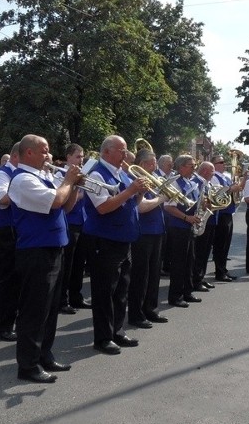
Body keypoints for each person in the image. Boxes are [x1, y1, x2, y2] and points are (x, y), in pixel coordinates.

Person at [9, 134, 80, 382]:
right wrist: (69, 180)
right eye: (44, 150)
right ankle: (27, 365)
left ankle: (44, 355)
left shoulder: (45, 177)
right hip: (36, 250)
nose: (49, 155)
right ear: (29, 153)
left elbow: (66, 206)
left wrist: (75, 186)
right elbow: (56, 201)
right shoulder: (23, 180)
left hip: (54, 247)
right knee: (34, 310)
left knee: (50, 309)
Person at [82, 135, 148, 354]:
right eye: (121, 150)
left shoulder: (121, 174)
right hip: (105, 240)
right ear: (107, 152)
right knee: (104, 292)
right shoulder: (97, 174)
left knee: (121, 290)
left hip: (123, 239)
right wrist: (130, 191)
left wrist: (139, 193)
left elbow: (133, 203)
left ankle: (117, 332)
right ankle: (103, 338)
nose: (126, 154)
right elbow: (102, 207)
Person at [127, 147, 168, 328]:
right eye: (152, 162)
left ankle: (150, 309)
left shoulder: (154, 179)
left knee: (153, 274)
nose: (155, 165)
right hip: (142, 233)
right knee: (140, 276)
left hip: (157, 231)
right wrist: (161, 198)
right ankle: (137, 313)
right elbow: (142, 207)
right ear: (142, 164)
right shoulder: (136, 179)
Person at [0, 143, 21, 342]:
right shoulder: (1, 175)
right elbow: (2, 199)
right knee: (7, 282)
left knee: (20, 281)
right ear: (17, 156)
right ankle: (3, 327)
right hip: (7, 231)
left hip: (22, 230)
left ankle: (15, 322)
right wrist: (28, 188)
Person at [163, 154, 204, 305]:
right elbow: (168, 207)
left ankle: (187, 292)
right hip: (178, 227)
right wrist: (187, 218)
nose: (194, 168)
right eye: (191, 166)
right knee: (179, 263)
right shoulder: (175, 183)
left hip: (189, 226)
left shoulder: (191, 181)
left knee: (189, 261)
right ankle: (175, 296)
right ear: (181, 167)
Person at [58, 143, 92, 315]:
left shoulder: (81, 174)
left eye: (82, 157)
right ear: (68, 157)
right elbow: (63, 199)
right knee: (67, 265)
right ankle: (62, 300)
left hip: (82, 222)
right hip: (69, 222)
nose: (81, 160)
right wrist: (78, 189)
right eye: (78, 157)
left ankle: (76, 296)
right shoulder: (61, 174)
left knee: (79, 263)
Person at [210, 154, 242, 281]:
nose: (224, 164)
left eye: (224, 162)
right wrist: (231, 189)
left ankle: (223, 269)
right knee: (220, 245)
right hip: (221, 214)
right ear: (215, 165)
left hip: (228, 212)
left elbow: (237, 189)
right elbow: (216, 194)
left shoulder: (226, 177)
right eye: (221, 162)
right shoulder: (214, 177)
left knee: (226, 244)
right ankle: (220, 272)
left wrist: (242, 179)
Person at [191, 161, 217, 292]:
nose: (214, 174)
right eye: (212, 171)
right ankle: (195, 280)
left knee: (206, 252)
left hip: (208, 220)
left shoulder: (207, 183)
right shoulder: (197, 181)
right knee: (199, 253)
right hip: (200, 220)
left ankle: (201, 277)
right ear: (205, 171)